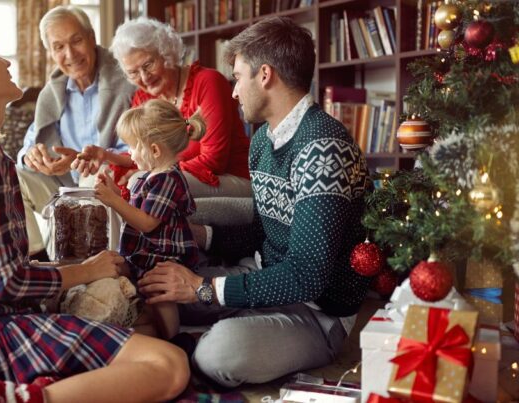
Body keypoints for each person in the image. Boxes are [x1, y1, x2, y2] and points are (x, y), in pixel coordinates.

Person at [0, 31, 188, 403]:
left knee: (141, 344)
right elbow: (11, 282)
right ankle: (18, 399)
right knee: (171, 365)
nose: (6, 61)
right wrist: (90, 269)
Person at [137, 17, 372, 388]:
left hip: (317, 312)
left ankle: (203, 343)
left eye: (237, 77)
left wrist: (202, 288)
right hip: (261, 274)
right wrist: (201, 235)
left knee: (219, 353)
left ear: (265, 75)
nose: (233, 92)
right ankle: (202, 337)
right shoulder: (263, 140)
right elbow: (263, 232)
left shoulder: (324, 147)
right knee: (157, 294)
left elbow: (307, 276)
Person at [78, 17, 251, 199]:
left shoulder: (208, 82)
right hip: (175, 174)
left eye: (148, 65)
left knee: (143, 183)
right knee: (98, 180)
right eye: (134, 72)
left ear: (166, 53)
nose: (144, 78)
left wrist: (151, 174)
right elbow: (143, 153)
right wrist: (105, 155)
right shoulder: (144, 97)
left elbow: (214, 161)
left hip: (227, 178)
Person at [16, 6, 135, 255]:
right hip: (62, 188)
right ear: (51, 52)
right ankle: (39, 261)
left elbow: (137, 148)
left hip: (107, 181)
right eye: (59, 47)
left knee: (94, 176)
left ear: (91, 38)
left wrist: (85, 160)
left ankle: (101, 266)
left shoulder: (125, 81)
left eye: (76, 41)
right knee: (13, 176)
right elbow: (30, 142)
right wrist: (31, 156)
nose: (70, 54)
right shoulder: (53, 92)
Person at [94, 99, 205, 340]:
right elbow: (137, 207)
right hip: (146, 252)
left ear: (154, 150)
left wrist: (114, 202)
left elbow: (147, 222)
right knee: (128, 277)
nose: (130, 154)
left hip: (163, 255)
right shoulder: (150, 176)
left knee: (160, 294)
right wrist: (115, 192)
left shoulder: (167, 179)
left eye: (132, 147)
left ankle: (174, 338)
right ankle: (142, 322)